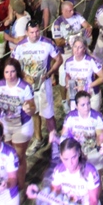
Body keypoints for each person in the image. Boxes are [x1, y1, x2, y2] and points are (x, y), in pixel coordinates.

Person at [0, 59, 34, 190]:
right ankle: (10, 182)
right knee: (8, 155)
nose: (10, 75)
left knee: (19, 157)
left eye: (13, 71)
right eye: (7, 72)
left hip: (22, 124)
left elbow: (32, 108)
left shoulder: (25, 87)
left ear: (17, 72)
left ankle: (20, 184)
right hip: (5, 124)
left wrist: (28, 109)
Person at [12, 19, 62, 152]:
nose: (35, 35)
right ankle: (38, 139)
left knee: (49, 114)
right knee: (34, 112)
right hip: (29, 86)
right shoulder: (21, 46)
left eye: (37, 32)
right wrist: (23, 75)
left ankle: (54, 141)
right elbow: (14, 64)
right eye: (32, 32)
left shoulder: (47, 43)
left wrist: (50, 73)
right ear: (26, 33)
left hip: (44, 85)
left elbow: (59, 59)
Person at [27, 138, 100, 205]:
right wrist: (40, 195)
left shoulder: (90, 172)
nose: (70, 163)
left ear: (79, 153)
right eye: (66, 159)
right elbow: (55, 194)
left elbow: (93, 201)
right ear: (61, 157)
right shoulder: (59, 171)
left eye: (73, 157)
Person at [57, 91, 103, 172]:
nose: (86, 107)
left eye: (88, 103)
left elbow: (100, 136)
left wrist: (101, 146)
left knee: (95, 176)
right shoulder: (71, 117)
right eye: (82, 105)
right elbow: (64, 135)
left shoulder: (97, 117)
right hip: (75, 152)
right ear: (76, 106)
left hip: (92, 152)